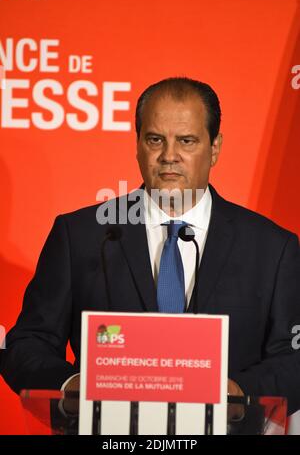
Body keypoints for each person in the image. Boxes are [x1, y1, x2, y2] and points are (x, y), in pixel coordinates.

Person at [1, 77, 299, 415]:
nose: (169, 156)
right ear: (138, 144)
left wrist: (239, 394)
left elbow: (293, 358)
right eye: (155, 139)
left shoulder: (272, 249)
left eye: (186, 141)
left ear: (215, 148)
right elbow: (27, 344)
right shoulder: (81, 236)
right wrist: (73, 386)